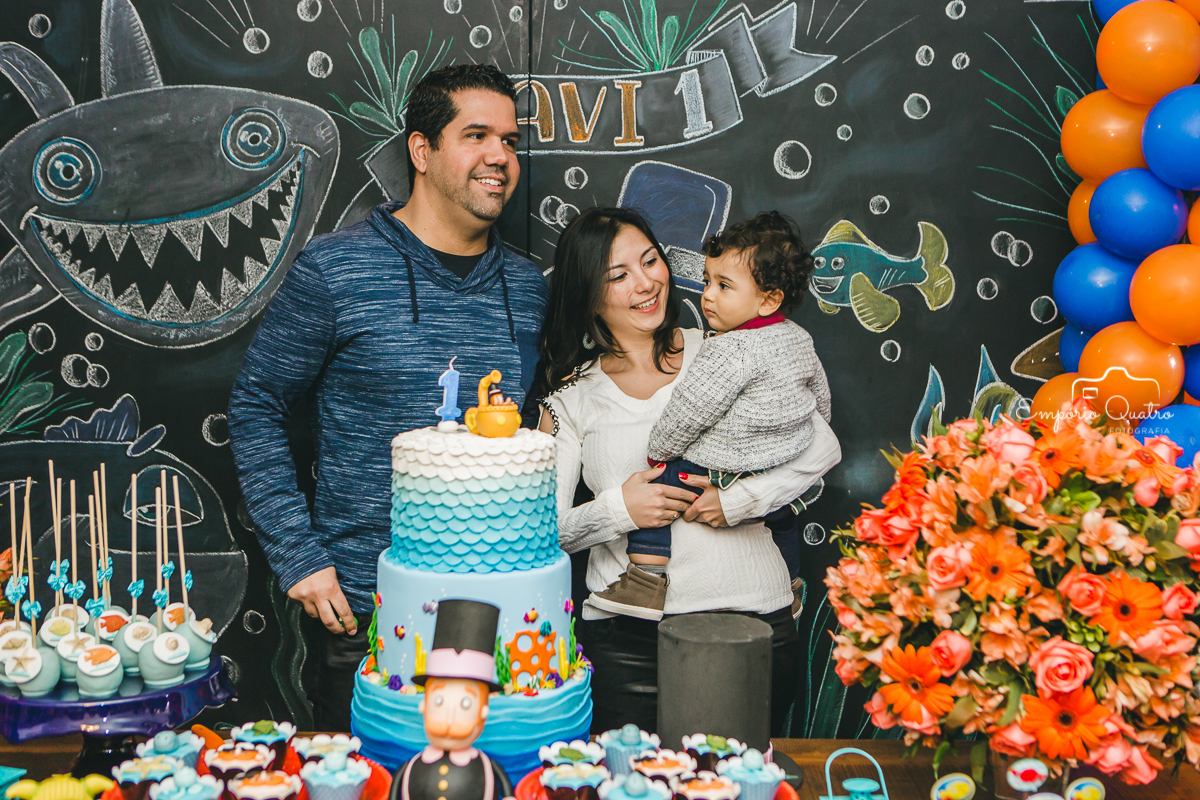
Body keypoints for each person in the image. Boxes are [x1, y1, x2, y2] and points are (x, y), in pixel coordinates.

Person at [227, 65, 546, 730]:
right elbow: (256, 406)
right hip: (365, 610)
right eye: (478, 135)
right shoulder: (335, 270)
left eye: (511, 142)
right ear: (422, 150)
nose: (500, 157)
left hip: (505, 615)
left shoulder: (530, 287)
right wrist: (300, 557)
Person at [534, 207, 841, 735]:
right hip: (630, 643)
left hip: (752, 620)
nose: (646, 281)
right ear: (589, 294)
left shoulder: (730, 349)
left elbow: (820, 447)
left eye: (651, 261)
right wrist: (620, 510)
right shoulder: (571, 397)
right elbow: (542, 531)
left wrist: (738, 503)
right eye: (619, 275)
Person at [588, 211, 830, 622]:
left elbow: (689, 411)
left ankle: (646, 577)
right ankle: (791, 583)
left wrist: (659, 450)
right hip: (778, 458)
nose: (707, 296)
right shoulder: (799, 338)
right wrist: (792, 436)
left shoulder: (724, 349)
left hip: (723, 462)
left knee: (664, 482)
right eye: (706, 282)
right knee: (784, 516)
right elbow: (820, 403)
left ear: (768, 298)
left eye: (723, 286)